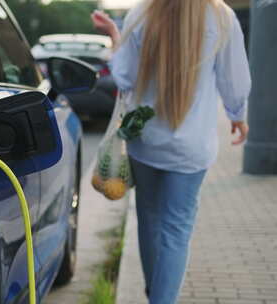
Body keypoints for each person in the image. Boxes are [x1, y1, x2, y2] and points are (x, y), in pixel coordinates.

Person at [91, 1, 251, 303]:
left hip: (146, 141)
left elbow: (125, 78)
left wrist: (114, 34)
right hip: (192, 147)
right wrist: (238, 115)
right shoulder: (221, 16)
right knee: (176, 231)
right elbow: (235, 80)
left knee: (149, 221)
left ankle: (156, 294)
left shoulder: (143, 12)